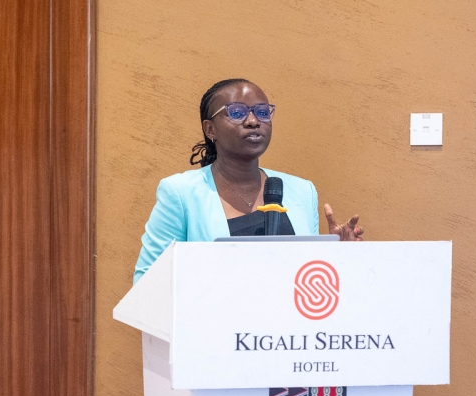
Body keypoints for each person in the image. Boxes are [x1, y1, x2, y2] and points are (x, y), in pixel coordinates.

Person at [133, 78, 364, 283]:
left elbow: (306, 279)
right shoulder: (180, 192)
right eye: (237, 112)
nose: (253, 121)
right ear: (210, 129)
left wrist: (337, 256)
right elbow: (147, 281)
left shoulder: (302, 191)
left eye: (262, 112)